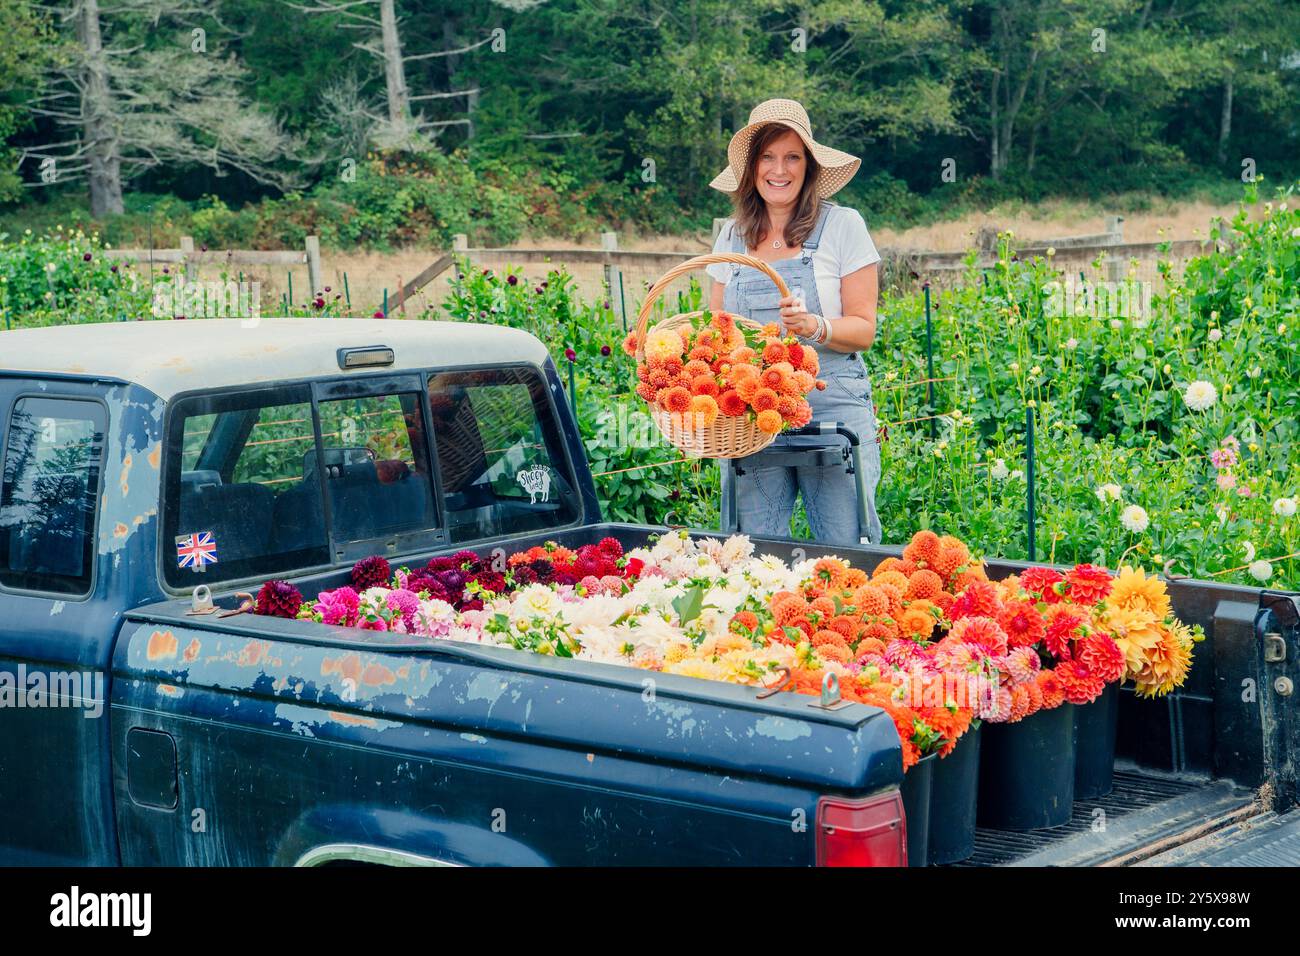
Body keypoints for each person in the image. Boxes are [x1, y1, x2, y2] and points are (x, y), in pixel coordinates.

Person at [707, 98, 883, 545]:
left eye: (791, 156)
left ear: (809, 166)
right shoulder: (732, 236)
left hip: (832, 403)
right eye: (767, 156)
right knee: (755, 545)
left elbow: (864, 329)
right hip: (754, 416)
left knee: (844, 547)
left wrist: (816, 327)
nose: (778, 169)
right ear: (751, 168)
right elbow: (718, 333)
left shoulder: (843, 226)